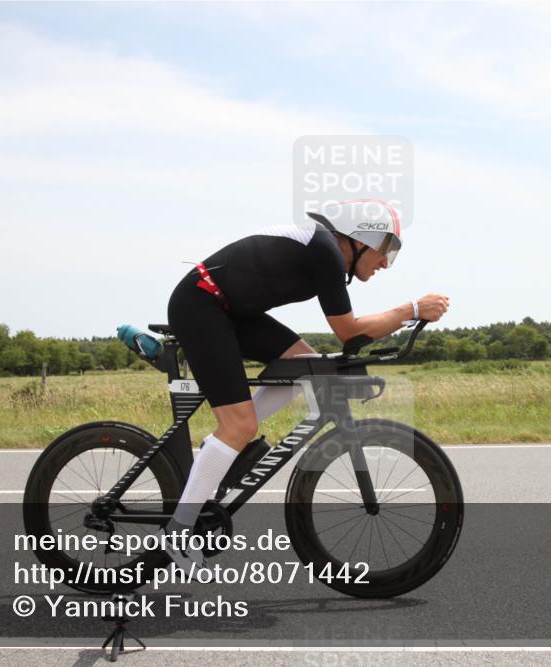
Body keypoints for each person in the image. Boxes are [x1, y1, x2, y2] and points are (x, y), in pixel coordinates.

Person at [161, 199, 449, 567]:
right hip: (202, 304)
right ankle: (178, 530)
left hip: (231, 310)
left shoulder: (326, 253)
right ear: (361, 237)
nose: (384, 263)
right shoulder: (325, 250)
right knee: (240, 424)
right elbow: (349, 331)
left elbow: (350, 336)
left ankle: (222, 447)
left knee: (304, 365)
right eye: (386, 250)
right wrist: (410, 309)